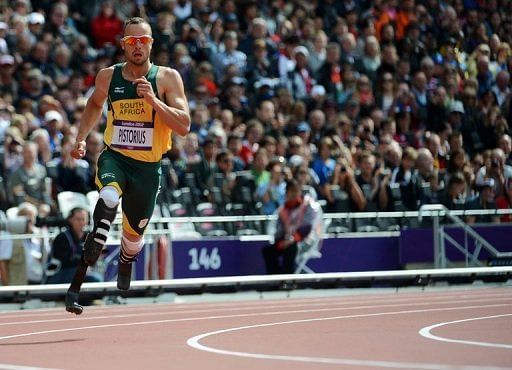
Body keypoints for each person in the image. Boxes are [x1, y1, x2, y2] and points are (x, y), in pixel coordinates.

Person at [65, 17, 190, 314]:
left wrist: (154, 101)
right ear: (123, 44)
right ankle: (99, 232)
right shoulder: (108, 77)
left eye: (143, 41)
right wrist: (81, 138)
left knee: (134, 240)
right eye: (131, 41)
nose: (137, 46)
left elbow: (184, 125)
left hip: (148, 168)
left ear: (151, 44)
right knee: (108, 195)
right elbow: (94, 104)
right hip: (116, 156)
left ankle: (125, 259)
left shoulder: (167, 78)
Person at [262, 179, 323, 275]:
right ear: (287, 193)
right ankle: (275, 279)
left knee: (291, 248)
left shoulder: (308, 206)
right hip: (287, 241)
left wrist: (292, 239)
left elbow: (307, 227)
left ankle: (288, 279)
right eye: (292, 191)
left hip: (305, 241)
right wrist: (281, 242)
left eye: (296, 191)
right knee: (268, 251)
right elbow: (278, 231)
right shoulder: (282, 210)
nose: (294, 194)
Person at [46, 207, 102, 285]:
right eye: (78, 219)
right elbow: (65, 262)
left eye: (83, 219)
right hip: (58, 275)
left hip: (79, 272)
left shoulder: (89, 236)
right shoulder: (62, 237)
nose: (81, 222)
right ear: (70, 220)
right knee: (93, 279)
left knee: (99, 276)